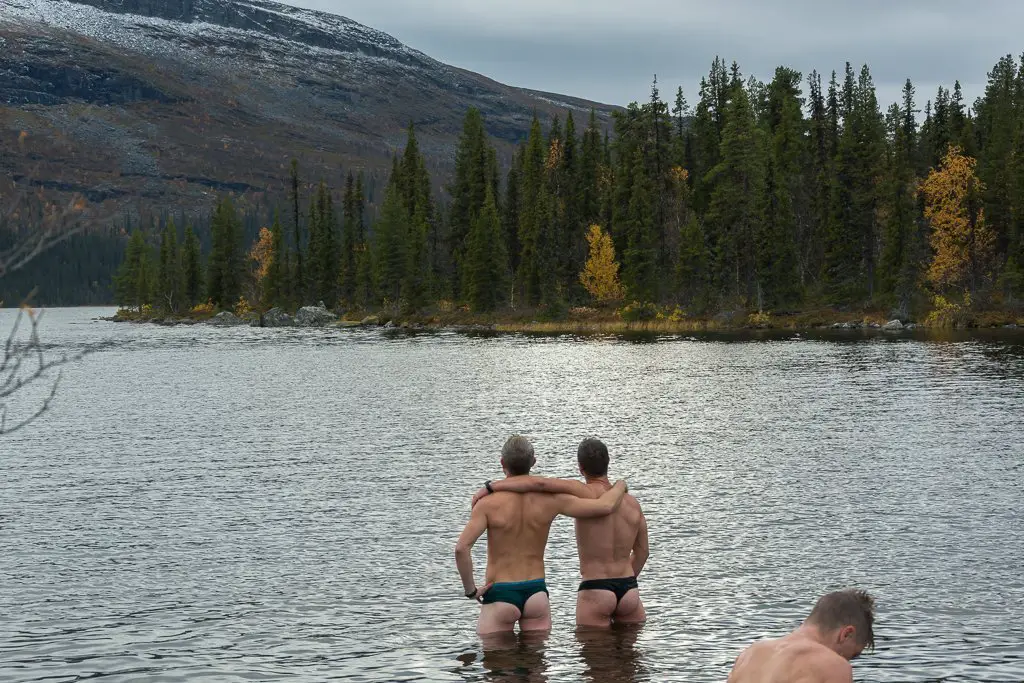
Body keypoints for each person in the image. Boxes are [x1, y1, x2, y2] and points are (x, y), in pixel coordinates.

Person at [455, 435, 629, 635]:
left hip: (501, 592)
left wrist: (471, 591)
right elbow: (603, 506)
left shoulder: (486, 504)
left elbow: (461, 548)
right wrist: (620, 485)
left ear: (502, 462)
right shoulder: (550, 500)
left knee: (496, 662)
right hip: (536, 593)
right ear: (533, 462)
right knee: (536, 662)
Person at [727, 589, 876, 683]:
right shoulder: (833, 666)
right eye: (851, 655)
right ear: (846, 634)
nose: (845, 660)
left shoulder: (749, 655)